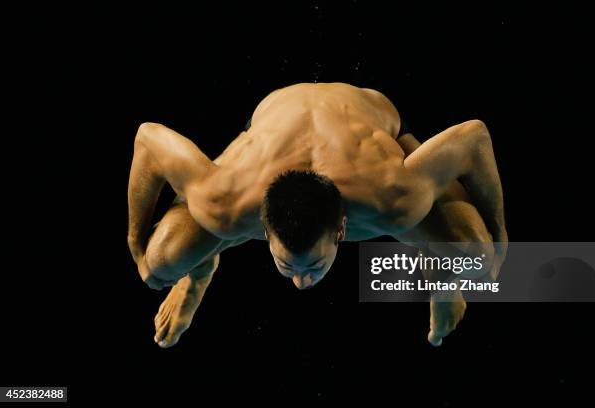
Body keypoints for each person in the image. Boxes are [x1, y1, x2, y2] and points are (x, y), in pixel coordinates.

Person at [127, 82, 508, 348]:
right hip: (272, 124)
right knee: (159, 266)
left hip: (369, 119)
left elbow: (473, 138)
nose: (302, 284)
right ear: (264, 226)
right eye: (287, 266)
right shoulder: (224, 200)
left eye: (313, 266)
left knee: (477, 256)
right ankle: (199, 274)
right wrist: (134, 240)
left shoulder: (395, 195)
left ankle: (440, 279)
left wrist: (499, 233)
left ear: (341, 228)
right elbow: (148, 138)